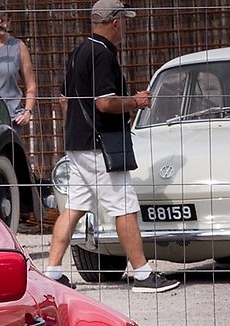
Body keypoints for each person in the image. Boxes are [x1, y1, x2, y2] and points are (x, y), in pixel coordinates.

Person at [45, 0, 178, 292]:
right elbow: (104, 102)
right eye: (125, 20)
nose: (126, 26)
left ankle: (52, 272)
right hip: (100, 144)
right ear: (116, 22)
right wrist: (136, 102)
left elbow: (64, 99)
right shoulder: (103, 54)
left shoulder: (79, 50)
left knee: (75, 207)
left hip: (79, 143)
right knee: (125, 205)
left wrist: (77, 131)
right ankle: (143, 274)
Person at [0, 3, 37, 132]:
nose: (6, 25)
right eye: (1, 21)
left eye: (8, 20)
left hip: (11, 119)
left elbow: (31, 86)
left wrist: (27, 111)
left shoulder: (18, 46)